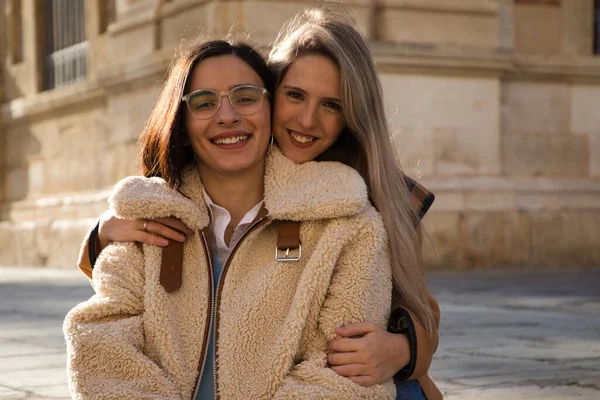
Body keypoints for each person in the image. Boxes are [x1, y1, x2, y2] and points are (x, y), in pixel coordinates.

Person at [70, 4, 442, 399]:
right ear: (274, 92)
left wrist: (404, 349)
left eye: (331, 104)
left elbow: (418, 309)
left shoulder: (367, 200)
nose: (306, 120)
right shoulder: (159, 205)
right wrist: (103, 233)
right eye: (295, 95)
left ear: (352, 116)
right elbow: (108, 324)